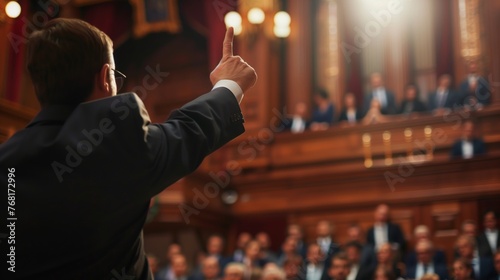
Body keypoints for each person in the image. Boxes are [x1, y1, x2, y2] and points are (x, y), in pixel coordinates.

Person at [0, 18, 257, 279]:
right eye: (115, 74)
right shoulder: (113, 138)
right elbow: (187, 132)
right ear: (104, 78)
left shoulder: (7, 160)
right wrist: (229, 84)